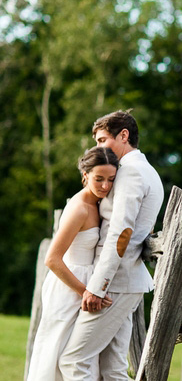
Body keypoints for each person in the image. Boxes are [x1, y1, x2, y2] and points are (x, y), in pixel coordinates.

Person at [59, 110, 164, 381]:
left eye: (102, 139)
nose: (97, 147)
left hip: (113, 285)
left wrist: (97, 286)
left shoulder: (131, 172)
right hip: (124, 282)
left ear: (124, 135)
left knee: (75, 360)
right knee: (113, 370)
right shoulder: (147, 170)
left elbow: (122, 231)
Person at [27, 146, 119, 381]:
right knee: (58, 354)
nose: (105, 186)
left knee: (84, 357)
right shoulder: (79, 208)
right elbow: (52, 259)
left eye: (111, 179)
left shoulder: (100, 203)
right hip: (69, 287)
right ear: (85, 175)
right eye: (99, 179)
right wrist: (85, 291)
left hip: (87, 283)